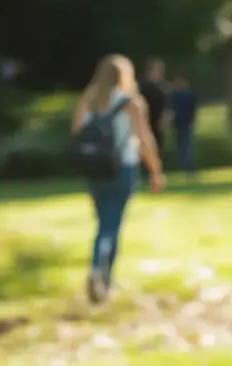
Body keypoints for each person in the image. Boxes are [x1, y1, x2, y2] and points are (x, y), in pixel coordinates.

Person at [71, 54, 166, 304]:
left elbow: (77, 131)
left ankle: (103, 278)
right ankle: (99, 271)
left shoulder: (89, 99)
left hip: (94, 170)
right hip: (123, 167)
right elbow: (144, 139)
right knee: (112, 223)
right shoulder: (131, 102)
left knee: (104, 220)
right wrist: (155, 169)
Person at [138, 57, 170, 175]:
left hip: (157, 121)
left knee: (157, 146)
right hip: (145, 121)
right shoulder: (142, 87)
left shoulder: (164, 87)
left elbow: (167, 107)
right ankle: (145, 170)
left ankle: (155, 170)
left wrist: (165, 120)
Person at [169, 75, 199, 178]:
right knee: (186, 147)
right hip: (185, 123)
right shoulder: (189, 95)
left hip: (181, 123)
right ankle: (187, 168)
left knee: (183, 147)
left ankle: (186, 167)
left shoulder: (175, 96)